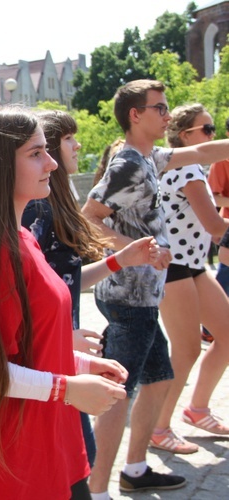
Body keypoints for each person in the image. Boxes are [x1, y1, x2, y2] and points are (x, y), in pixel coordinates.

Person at [0, 105, 128, 499]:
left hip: (45, 442)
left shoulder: (21, 239)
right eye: (36, 152)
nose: (52, 163)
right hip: (10, 459)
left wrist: (80, 365)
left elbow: (25, 351)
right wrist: (67, 388)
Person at [82, 79, 229, 498]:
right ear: (136, 114)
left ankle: (135, 468)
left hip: (145, 295)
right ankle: (97, 491)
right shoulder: (127, 164)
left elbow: (202, 152)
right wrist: (135, 250)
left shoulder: (152, 157)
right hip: (127, 297)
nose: (167, 115)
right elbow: (88, 217)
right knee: (116, 396)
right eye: (160, 109)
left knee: (159, 378)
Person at [22, 110, 159, 468]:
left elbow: (62, 283)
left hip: (61, 354)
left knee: (80, 457)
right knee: (72, 460)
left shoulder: (57, 198)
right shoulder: (35, 209)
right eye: (68, 139)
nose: (77, 145)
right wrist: (62, 336)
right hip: (46, 360)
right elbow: (24, 294)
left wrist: (120, 260)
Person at [151, 104, 229, 454]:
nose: (214, 136)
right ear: (187, 136)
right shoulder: (187, 169)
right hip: (174, 267)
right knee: (186, 349)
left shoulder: (190, 167)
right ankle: (158, 427)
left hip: (193, 265)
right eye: (208, 130)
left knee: (226, 337)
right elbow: (216, 228)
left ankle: (196, 410)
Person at [207, 116, 229, 294]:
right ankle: (212, 321)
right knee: (225, 281)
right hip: (227, 226)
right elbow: (213, 198)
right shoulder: (222, 161)